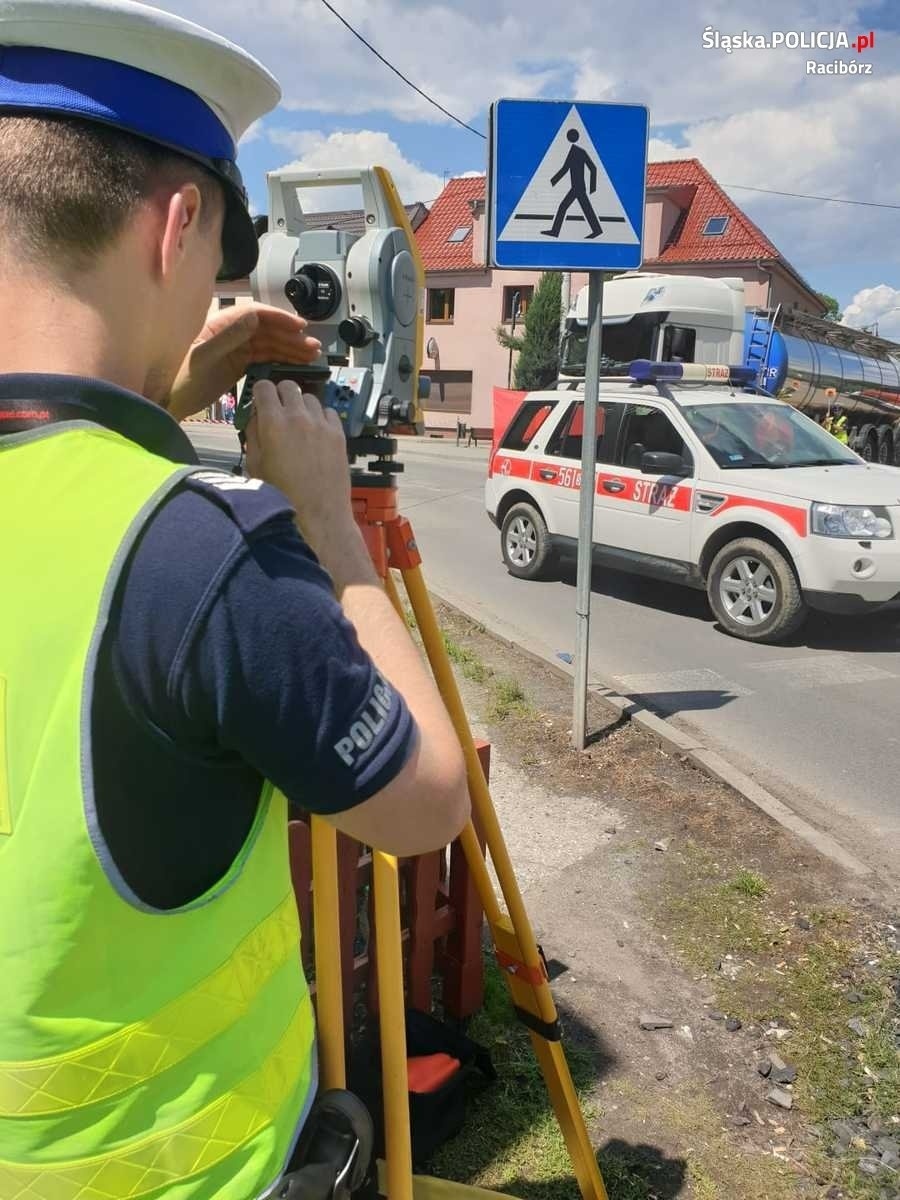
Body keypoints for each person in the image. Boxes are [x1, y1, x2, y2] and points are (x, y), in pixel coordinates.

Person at [0, 2, 469, 1197]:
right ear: (177, 226)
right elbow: (426, 806)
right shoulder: (201, 553)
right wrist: (330, 530)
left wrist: (160, 392)